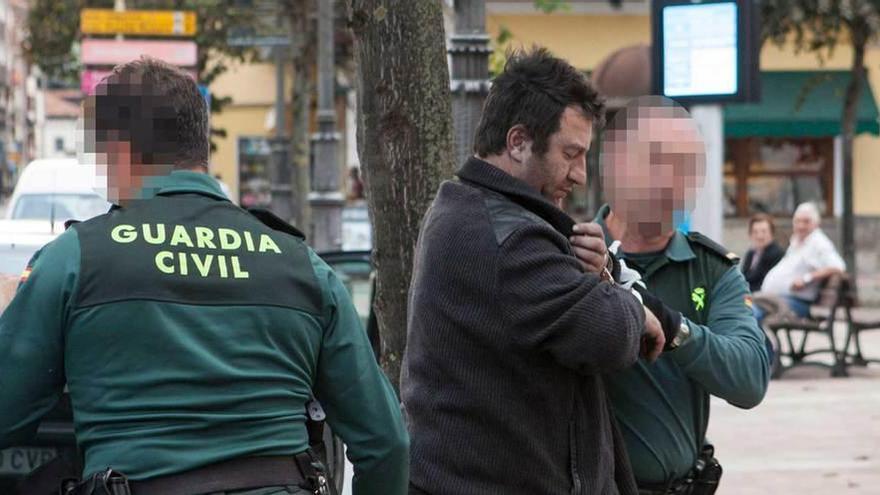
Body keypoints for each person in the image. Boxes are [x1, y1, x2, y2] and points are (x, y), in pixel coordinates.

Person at [0, 57, 408, 495]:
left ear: (119, 149)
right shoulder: (302, 265)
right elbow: (386, 444)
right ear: (200, 148)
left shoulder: (75, 260)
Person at [402, 48, 666, 495]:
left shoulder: (470, 209)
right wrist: (634, 308)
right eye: (570, 153)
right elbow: (606, 337)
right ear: (518, 141)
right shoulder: (510, 237)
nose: (580, 174)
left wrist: (599, 278)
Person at [590, 96, 769, 494]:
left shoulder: (710, 270)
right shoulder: (568, 254)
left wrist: (675, 330)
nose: (672, 181)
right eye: (657, 161)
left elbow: (749, 378)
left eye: (686, 167)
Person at [754, 202, 846, 323]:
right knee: (744, 310)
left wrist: (806, 278)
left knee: (750, 313)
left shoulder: (819, 242)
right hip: (779, 299)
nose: (801, 226)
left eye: (806, 221)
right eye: (797, 221)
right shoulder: (797, 241)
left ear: (816, 223)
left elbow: (838, 266)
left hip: (796, 303)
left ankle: (757, 341)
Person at [741, 213, 785, 292]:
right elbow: (743, 278)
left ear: (772, 233)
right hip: (747, 296)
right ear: (750, 234)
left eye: (764, 231)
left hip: (764, 298)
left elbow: (764, 284)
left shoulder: (776, 254)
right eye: (755, 232)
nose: (759, 236)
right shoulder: (751, 253)